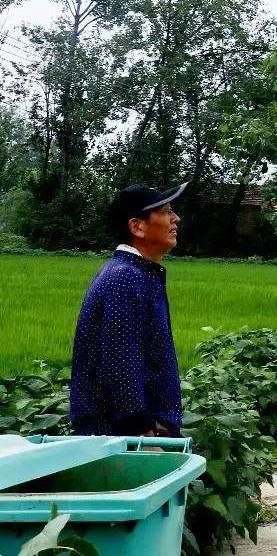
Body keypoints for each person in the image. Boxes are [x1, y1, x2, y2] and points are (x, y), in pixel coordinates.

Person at [70, 182, 187, 438]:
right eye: (166, 211)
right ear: (137, 226)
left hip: (137, 434)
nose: (175, 218)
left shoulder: (139, 273)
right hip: (126, 439)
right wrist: (141, 432)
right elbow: (121, 361)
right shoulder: (125, 277)